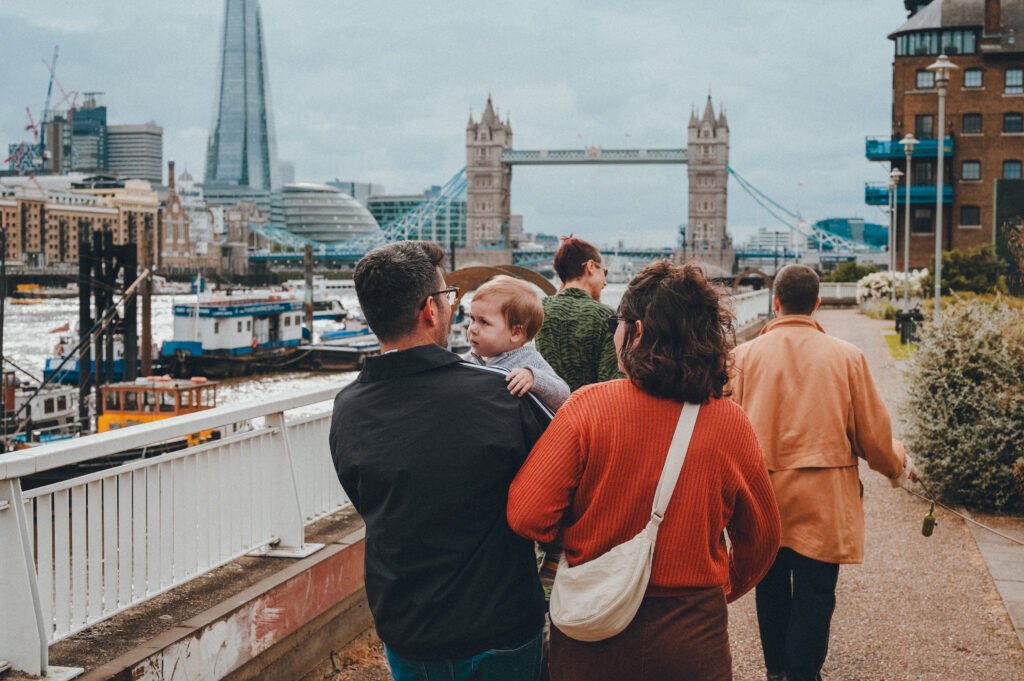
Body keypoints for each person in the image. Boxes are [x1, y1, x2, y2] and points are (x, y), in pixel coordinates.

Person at [508, 261, 781, 681]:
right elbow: (762, 537)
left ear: (635, 332)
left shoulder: (587, 408)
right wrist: (720, 589)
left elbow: (527, 514)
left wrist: (576, 538)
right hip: (693, 633)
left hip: (593, 629)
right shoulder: (731, 423)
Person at [329, 241, 551, 681]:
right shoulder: (502, 394)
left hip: (407, 627)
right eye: (450, 297)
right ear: (431, 310)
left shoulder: (348, 408)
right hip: (500, 622)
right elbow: (554, 495)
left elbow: (368, 501)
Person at [729, 264, 916, 681]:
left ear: (774, 303)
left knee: (770, 587)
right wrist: (898, 467)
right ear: (817, 304)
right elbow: (874, 437)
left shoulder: (742, 358)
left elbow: (726, 430)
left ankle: (775, 671)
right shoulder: (847, 357)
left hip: (763, 494)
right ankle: (802, 673)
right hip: (824, 498)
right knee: (816, 594)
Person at [463, 275, 570, 412]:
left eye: (484, 322)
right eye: (472, 319)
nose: (472, 328)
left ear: (516, 333)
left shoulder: (529, 360)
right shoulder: (470, 358)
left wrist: (534, 378)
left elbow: (563, 396)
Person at [535, 236, 622, 391]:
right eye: (605, 271)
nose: (605, 282)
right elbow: (611, 383)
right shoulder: (607, 316)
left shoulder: (539, 309)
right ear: (590, 266)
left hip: (546, 410)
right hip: (587, 412)